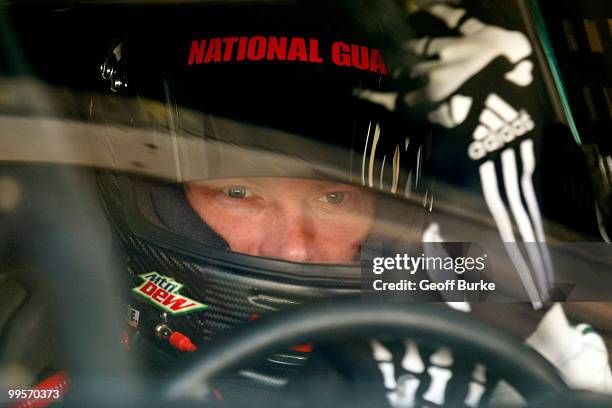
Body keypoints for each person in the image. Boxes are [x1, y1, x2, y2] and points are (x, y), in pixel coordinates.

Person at [88, 0, 612, 406]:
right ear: (152, 198)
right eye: (239, 192)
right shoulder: (43, 352)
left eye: (336, 198)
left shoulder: (440, 277)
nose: (295, 249)